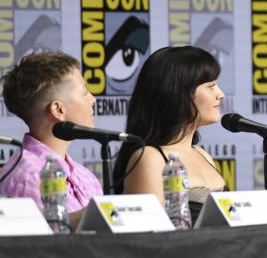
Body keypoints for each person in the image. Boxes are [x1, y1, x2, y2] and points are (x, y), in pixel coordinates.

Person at [113, 46, 226, 221]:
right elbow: (152, 236)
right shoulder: (150, 158)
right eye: (211, 87)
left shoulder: (203, 154)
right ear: (179, 94)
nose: (221, 94)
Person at [0, 51, 102, 224]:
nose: (93, 99)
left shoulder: (85, 175)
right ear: (58, 110)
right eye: (85, 92)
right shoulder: (28, 179)